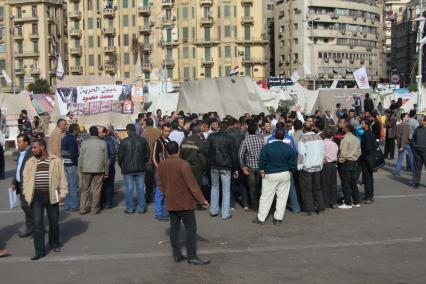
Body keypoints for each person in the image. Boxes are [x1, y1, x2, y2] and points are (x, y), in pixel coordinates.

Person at [157, 141, 210, 265]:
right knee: (191, 229)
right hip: (185, 202)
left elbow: (159, 184)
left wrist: (167, 193)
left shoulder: (161, 165)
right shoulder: (183, 164)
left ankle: (177, 254)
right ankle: (192, 256)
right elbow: (192, 185)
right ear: (178, 151)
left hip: (170, 201)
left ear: (167, 151)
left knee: (174, 229)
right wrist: (202, 200)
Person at [22, 139, 68, 260]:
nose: (32, 150)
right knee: (38, 224)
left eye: (35, 148)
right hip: (36, 197)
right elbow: (25, 179)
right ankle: (39, 251)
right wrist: (26, 193)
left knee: (54, 222)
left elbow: (62, 178)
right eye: (32, 148)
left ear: (42, 147)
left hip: (52, 195)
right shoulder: (30, 162)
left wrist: (63, 193)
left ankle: (54, 243)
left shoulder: (55, 161)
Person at [253, 128, 297, 224]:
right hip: (285, 173)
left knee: (266, 196)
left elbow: (262, 160)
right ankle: (278, 218)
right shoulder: (288, 147)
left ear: (275, 135)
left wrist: (262, 170)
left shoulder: (268, 147)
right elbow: (293, 161)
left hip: (270, 173)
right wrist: (291, 170)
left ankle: (261, 218)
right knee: (282, 196)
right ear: (283, 136)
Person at [205, 121, 239, 220]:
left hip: (214, 166)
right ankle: (225, 213)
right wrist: (236, 169)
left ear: (219, 127)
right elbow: (233, 155)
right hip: (226, 167)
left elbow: (206, 150)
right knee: (226, 190)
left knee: (214, 187)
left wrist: (211, 159)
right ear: (227, 128)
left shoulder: (211, 137)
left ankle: (213, 210)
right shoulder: (230, 139)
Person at [119, 124, 150, 214]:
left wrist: (122, 166)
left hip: (128, 169)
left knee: (129, 189)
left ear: (128, 131)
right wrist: (143, 161)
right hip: (140, 168)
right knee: (140, 188)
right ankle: (142, 208)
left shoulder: (124, 141)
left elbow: (120, 156)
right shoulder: (143, 140)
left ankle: (130, 208)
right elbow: (148, 154)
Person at [78, 126, 109, 215]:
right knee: (97, 189)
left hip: (86, 169)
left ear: (90, 133)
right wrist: (106, 172)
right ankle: (94, 209)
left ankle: (83, 208)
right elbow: (105, 158)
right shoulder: (103, 143)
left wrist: (79, 169)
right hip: (99, 169)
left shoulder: (84, 143)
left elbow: (80, 158)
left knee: (85, 189)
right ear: (97, 133)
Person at [297, 122, 325, 215]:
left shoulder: (303, 138)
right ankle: (320, 207)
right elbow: (322, 151)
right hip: (318, 166)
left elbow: (301, 154)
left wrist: (299, 166)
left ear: (303, 128)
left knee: (307, 189)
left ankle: (310, 209)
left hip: (308, 167)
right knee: (317, 188)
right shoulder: (319, 137)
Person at [11, 134, 34, 237]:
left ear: (26, 143)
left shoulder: (31, 153)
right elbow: (18, 169)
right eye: (17, 142)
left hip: (28, 184)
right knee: (26, 206)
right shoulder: (21, 153)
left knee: (26, 206)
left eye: (19, 142)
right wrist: (14, 182)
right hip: (20, 184)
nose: (18, 144)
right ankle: (31, 227)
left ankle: (36, 226)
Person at [239, 121, 265, 211]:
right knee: (259, 186)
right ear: (256, 130)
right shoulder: (261, 140)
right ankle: (260, 204)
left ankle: (254, 205)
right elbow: (265, 154)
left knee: (252, 187)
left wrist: (242, 167)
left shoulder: (245, 141)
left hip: (250, 167)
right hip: (260, 166)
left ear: (248, 131)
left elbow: (240, 155)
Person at [337, 119, 361, 209]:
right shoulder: (356, 139)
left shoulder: (345, 139)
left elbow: (342, 153)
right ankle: (356, 201)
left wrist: (341, 160)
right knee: (353, 182)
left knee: (345, 183)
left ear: (347, 129)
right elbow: (359, 152)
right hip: (354, 161)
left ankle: (348, 202)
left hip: (346, 162)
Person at [152, 123, 172, 221]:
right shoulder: (157, 142)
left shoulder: (169, 141)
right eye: (166, 131)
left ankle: (165, 213)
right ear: (162, 131)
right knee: (159, 193)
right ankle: (158, 213)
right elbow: (154, 157)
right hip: (160, 171)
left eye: (169, 131)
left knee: (167, 193)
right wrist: (159, 168)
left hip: (169, 171)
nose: (167, 133)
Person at [61, 123, 80, 212]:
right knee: (73, 186)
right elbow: (73, 154)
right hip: (71, 165)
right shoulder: (72, 139)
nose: (79, 131)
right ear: (74, 130)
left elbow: (63, 151)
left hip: (65, 164)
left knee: (67, 186)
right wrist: (76, 162)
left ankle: (67, 205)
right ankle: (74, 205)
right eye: (78, 129)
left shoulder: (65, 138)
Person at [143, 117, 162, 203]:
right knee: (157, 180)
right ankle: (157, 197)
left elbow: (143, 147)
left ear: (146, 124)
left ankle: (148, 197)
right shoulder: (158, 131)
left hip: (148, 160)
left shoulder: (144, 133)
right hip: (157, 158)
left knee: (148, 181)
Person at [99, 126, 117, 209]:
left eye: (100, 132)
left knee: (108, 185)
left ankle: (108, 203)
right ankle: (103, 201)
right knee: (103, 185)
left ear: (104, 133)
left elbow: (112, 154)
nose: (98, 134)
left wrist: (109, 163)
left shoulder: (108, 141)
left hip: (108, 166)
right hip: (101, 166)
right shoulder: (101, 140)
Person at [321, 127, 339, 208]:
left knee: (325, 184)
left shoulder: (322, 144)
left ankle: (326, 202)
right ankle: (333, 201)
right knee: (333, 184)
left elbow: (322, 155)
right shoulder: (335, 144)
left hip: (326, 165)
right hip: (333, 165)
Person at [360, 119, 376, 204]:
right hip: (367, 159)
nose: (361, 125)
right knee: (367, 178)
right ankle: (368, 195)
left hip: (367, 159)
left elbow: (368, 148)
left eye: (362, 123)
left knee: (368, 179)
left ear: (367, 125)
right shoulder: (367, 133)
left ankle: (369, 196)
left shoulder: (368, 134)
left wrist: (362, 155)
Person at [410, 115, 426, 189]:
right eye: (419, 120)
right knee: (417, 168)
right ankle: (416, 182)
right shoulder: (417, 129)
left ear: (425, 121)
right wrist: (414, 146)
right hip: (417, 151)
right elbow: (413, 138)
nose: (419, 121)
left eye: (421, 120)